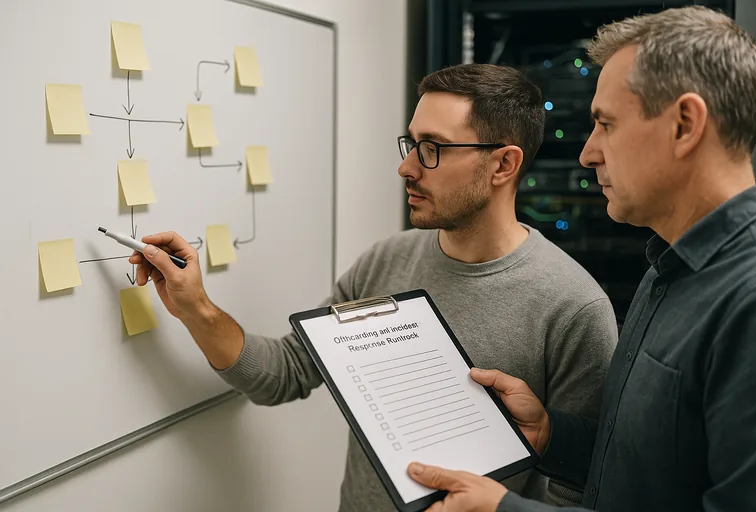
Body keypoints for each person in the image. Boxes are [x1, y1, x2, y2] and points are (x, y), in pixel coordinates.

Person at [129, 64, 618, 511]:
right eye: (410, 145)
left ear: (503, 165)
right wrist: (196, 308)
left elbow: (581, 490)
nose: (406, 168)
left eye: (432, 149)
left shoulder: (573, 308)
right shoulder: (388, 260)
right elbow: (284, 373)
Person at [406, 5, 756, 511]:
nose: (587, 153)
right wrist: (553, 435)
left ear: (685, 124)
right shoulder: (670, 266)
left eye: (605, 124)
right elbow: (650, 472)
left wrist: (505, 510)